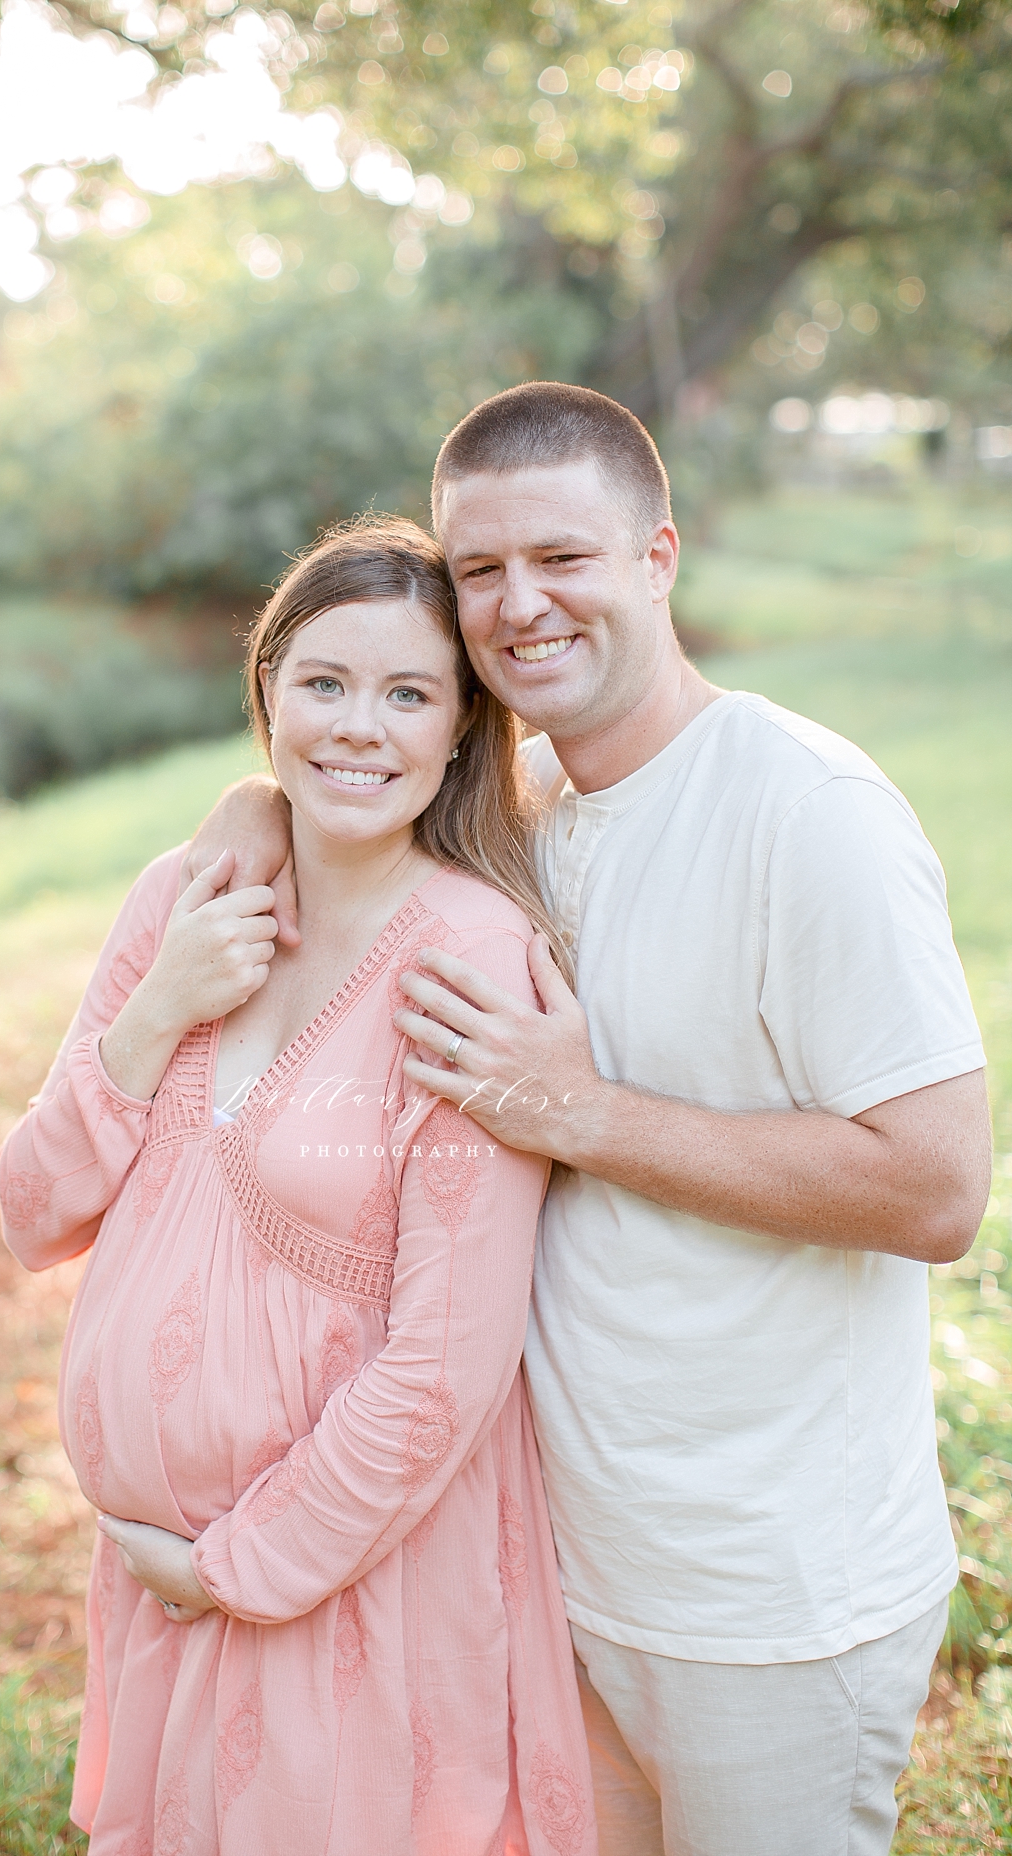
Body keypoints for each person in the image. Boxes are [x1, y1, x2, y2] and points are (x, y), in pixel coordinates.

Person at [188, 385, 992, 1856]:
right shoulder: (523, 809)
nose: (516, 606)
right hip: (552, 1568)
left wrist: (583, 1114)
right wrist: (249, 816)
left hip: (765, 1595)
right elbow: (335, 794)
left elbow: (937, 1190)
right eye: (477, 570)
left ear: (658, 559)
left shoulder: (803, 809)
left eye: (561, 558)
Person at [0, 516, 595, 1856]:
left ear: (460, 731)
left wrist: (236, 1570)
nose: (358, 729)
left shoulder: (466, 964)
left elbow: (447, 1361)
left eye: (408, 694)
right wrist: (155, 1012)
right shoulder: (192, 894)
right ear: (264, 693)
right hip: (161, 1594)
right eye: (322, 683)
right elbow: (35, 1214)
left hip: (340, 1588)